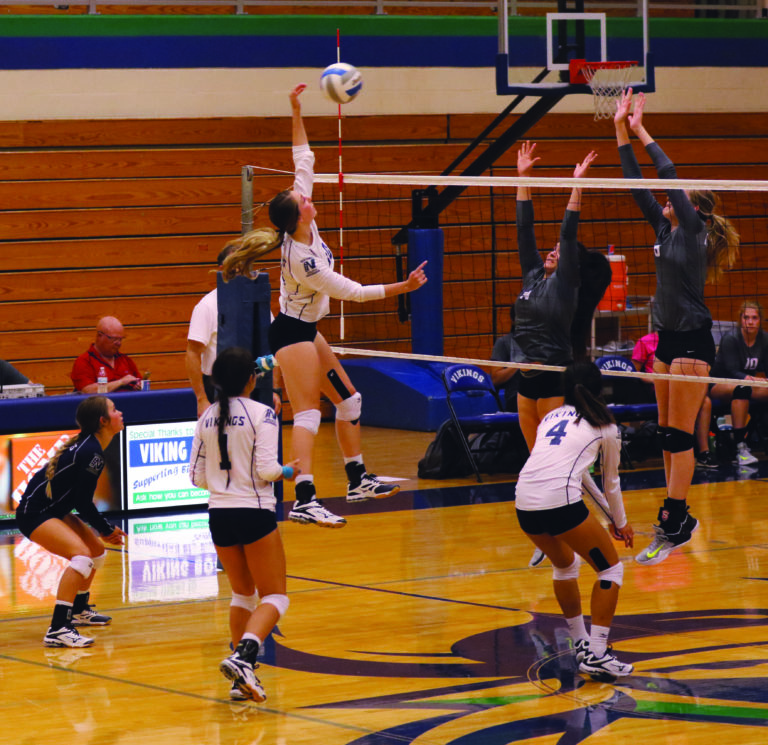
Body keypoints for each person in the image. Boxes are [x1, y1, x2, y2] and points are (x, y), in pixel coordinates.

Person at [219, 83, 428, 529]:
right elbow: (352, 292)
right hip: (292, 335)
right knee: (310, 412)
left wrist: (295, 108)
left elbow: (304, 159)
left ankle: (357, 480)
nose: (309, 197)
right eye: (304, 200)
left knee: (350, 402)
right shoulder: (304, 259)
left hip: (308, 330)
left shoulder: (301, 222)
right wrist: (404, 286)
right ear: (298, 217)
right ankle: (304, 499)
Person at [615, 89, 740, 565]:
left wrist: (643, 129)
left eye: (682, 198)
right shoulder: (665, 231)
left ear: (697, 211)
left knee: (680, 437)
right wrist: (619, 127)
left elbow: (667, 177)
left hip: (691, 341)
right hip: (667, 341)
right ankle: (678, 520)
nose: (671, 200)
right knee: (667, 433)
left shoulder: (693, 230)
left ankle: (675, 520)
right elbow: (634, 184)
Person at [189, 346, 299, 702]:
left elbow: (195, 477)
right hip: (253, 511)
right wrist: (289, 472)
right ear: (252, 379)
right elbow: (268, 471)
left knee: (242, 594)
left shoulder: (206, 417)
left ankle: (240, 681)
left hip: (218, 514)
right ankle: (244, 655)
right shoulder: (263, 414)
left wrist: (227, 484)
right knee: (276, 596)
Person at [515, 362, 634, 680]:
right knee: (611, 569)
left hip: (523, 502)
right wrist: (619, 522)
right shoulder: (606, 426)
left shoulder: (549, 418)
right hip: (559, 502)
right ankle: (596, 652)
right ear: (599, 390)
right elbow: (611, 483)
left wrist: (611, 519)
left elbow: (580, 477)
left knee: (565, 565)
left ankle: (581, 642)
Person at [14, 396, 127, 648]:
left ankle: (78, 609)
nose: (120, 413)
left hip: (54, 510)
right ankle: (58, 628)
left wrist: (104, 531)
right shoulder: (91, 452)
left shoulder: (90, 446)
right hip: (35, 513)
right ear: (103, 421)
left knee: (97, 552)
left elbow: (79, 500)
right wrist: (107, 529)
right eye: (114, 409)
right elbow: (84, 502)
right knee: (82, 558)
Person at [186, 244, 282, 418]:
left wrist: (273, 390)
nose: (240, 268)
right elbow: (192, 353)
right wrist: (201, 399)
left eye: (244, 262)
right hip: (217, 389)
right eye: (236, 262)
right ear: (222, 269)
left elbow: (273, 350)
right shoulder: (206, 306)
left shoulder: (259, 305)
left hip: (256, 386)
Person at [710, 300, 768, 466]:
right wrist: (757, 380)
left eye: (754, 318)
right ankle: (740, 448)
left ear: (760, 320)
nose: (750, 322)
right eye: (746, 317)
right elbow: (732, 371)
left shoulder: (764, 339)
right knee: (741, 388)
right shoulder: (731, 339)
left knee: (743, 390)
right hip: (719, 384)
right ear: (740, 319)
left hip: (746, 387)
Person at [71, 316, 141, 393]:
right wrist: (120, 382)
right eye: (114, 339)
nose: (118, 343)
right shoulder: (84, 361)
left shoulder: (126, 360)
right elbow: (88, 391)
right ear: (100, 336)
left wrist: (139, 385)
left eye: (120, 339)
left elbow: (141, 384)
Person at [490, 304, 523, 412]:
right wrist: (519, 363)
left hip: (542, 393)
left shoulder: (543, 343)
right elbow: (495, 379)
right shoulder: (504, 343)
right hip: (517, 397)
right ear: (513, 320)